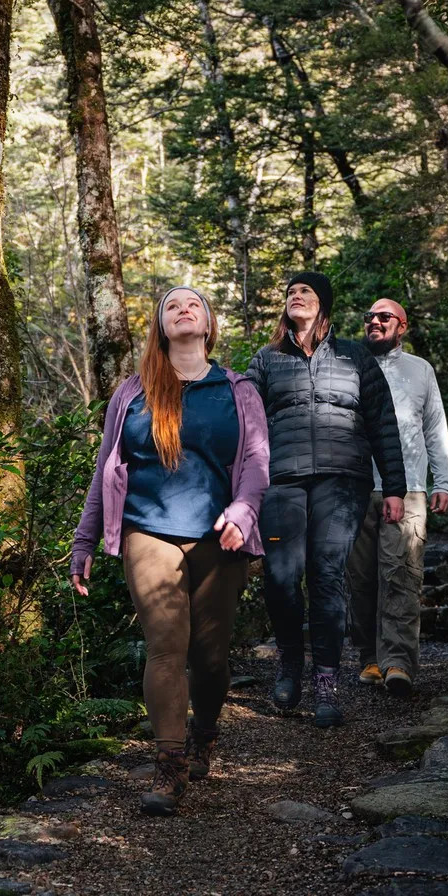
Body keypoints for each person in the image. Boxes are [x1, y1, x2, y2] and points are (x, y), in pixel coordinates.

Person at [70, 286, 269, 816]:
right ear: (161, 325)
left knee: (210, 656)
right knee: (165, 648)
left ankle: (205, 733)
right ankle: (170, 764)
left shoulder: (237, 388)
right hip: (147, 531)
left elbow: (255, 463)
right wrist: (84, 540)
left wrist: (243, 513)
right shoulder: (132, 393)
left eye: (194, 305)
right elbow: (106, 470)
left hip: (220, 538)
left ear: (209, 325)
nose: (184, 310)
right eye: (173, 306)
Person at [246, 272, 406, 728]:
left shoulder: (355, 355)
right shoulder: (267, 359)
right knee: (280, 576)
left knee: (328, 575)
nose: (296, 296)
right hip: (282, 480)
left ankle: (327, 683)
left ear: (323, 306)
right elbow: (246, 422)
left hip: (343, 480)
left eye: (306, 292)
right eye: (291, 292)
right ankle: (290, 664)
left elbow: (382, 424)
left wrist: (393, 487)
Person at [346, 298, 448, 696]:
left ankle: (399, 662)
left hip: (407, 489)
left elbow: (434, 427)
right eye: (369, 317)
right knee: (359, 580)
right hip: (355, 487)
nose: (374, 321)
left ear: (402, 326)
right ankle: (369, 658)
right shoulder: (351, 365)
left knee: (401, 575)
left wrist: (441, 482)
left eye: (384, 317)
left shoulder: (420, 370)